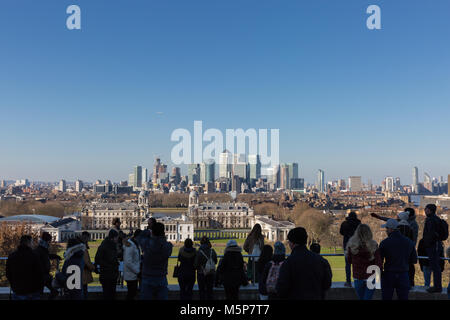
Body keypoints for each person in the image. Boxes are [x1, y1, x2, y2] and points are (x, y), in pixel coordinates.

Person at [276, 227, 332, 300]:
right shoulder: (321, 260)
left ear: (292, 243)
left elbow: (281, 288)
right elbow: (327, 284)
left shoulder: (288, 262)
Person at [379, 219, 417, 300]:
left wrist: (380, 274)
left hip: (389, 274)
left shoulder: (384, 243)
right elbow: (414, 260)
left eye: (387, 229)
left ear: (391, 229)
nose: (386, 231)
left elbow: (379, 261)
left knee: (386, 298)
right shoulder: (409, 242)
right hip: (403, 274)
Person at [346, 224, 382, 300]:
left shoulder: (352, 245)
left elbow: (349, 261)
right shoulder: (373, 245)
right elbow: (378, 264)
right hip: (371, 277)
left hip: (358, 277)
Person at [138, 222, 173, 300]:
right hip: (161, 277)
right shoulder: (168, 246)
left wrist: (148, 230)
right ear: (163, 233)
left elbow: (139, 236)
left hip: (147, 277)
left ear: (152, 232)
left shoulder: (146, 243)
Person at [6, 235, 44, 300]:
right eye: (32, 242)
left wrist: (13, 285)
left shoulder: (12, 256)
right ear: (28, 243)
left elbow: (8, 273)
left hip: (17, 290)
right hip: (33, 290)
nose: (33, 244)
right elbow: (40, 273)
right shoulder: (34, 256)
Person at [422, 204, 445, 293]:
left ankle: (437, 287)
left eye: (426, 209)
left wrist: (427, 243)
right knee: (435, 267)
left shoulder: (431, 220)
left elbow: (430, 234)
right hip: (436, 245)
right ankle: (437, 286)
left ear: (430, 210)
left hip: (433, 246)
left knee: (435, 267)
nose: (425, 210)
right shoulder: (436, 219)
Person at [34, 231, 61, 299]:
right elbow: (45, 257)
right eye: (50, 241)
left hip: (42, 275)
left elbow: (46, 256)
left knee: (51, 291)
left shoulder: (41, 248)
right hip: (42, 276)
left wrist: (55, 256)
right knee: (52, 291)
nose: (50, 242)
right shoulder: (42, 249)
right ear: (47, 240)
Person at [95, 229, 120, 300]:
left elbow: (97, 259)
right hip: (109, 274)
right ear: (113, 237)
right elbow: (109, 259)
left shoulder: (104, 245)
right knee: (110, 295)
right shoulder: (110, 246)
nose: (117, 240)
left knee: (107, 294)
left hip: (106, 274)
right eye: (116, 238)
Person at [339, 211, 361, 287]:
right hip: (356, 246)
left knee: (347, 265)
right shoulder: (359, 224)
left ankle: (348, 282)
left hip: (347, 246)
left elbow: (341, 232)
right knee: (357, 264)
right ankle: (358, 281)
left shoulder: (344, 224)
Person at [123, 230, 141, 300]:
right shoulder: (130, 245)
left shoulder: (134, 244)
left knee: (132, 294)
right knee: (131, 294)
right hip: (131, 274)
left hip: (132, 274)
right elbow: (128, 261)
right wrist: (137, 271)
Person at [80, 231, 96, 300]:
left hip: (78, 273)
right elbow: (87, 261)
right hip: (83, 274)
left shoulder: (78, 246)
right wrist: (93, 268)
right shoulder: (83, 247)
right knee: (83, 293)